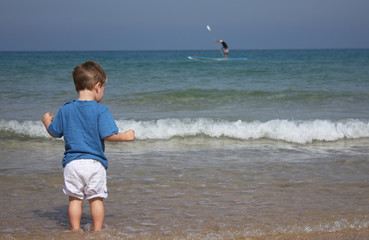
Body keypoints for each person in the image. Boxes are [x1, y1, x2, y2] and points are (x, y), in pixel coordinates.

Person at [42, 61, 135, 231]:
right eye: (104, 88)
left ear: (77, 86)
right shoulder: (101, 110)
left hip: (72, 164)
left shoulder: (66, 109)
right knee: (96, 199)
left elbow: (54, 132)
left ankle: (75, 230)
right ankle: (97, 230)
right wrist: (126, 136)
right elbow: (109, 135)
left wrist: (47, 121)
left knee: (75, 200)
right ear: (97, 86)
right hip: (94, 164)